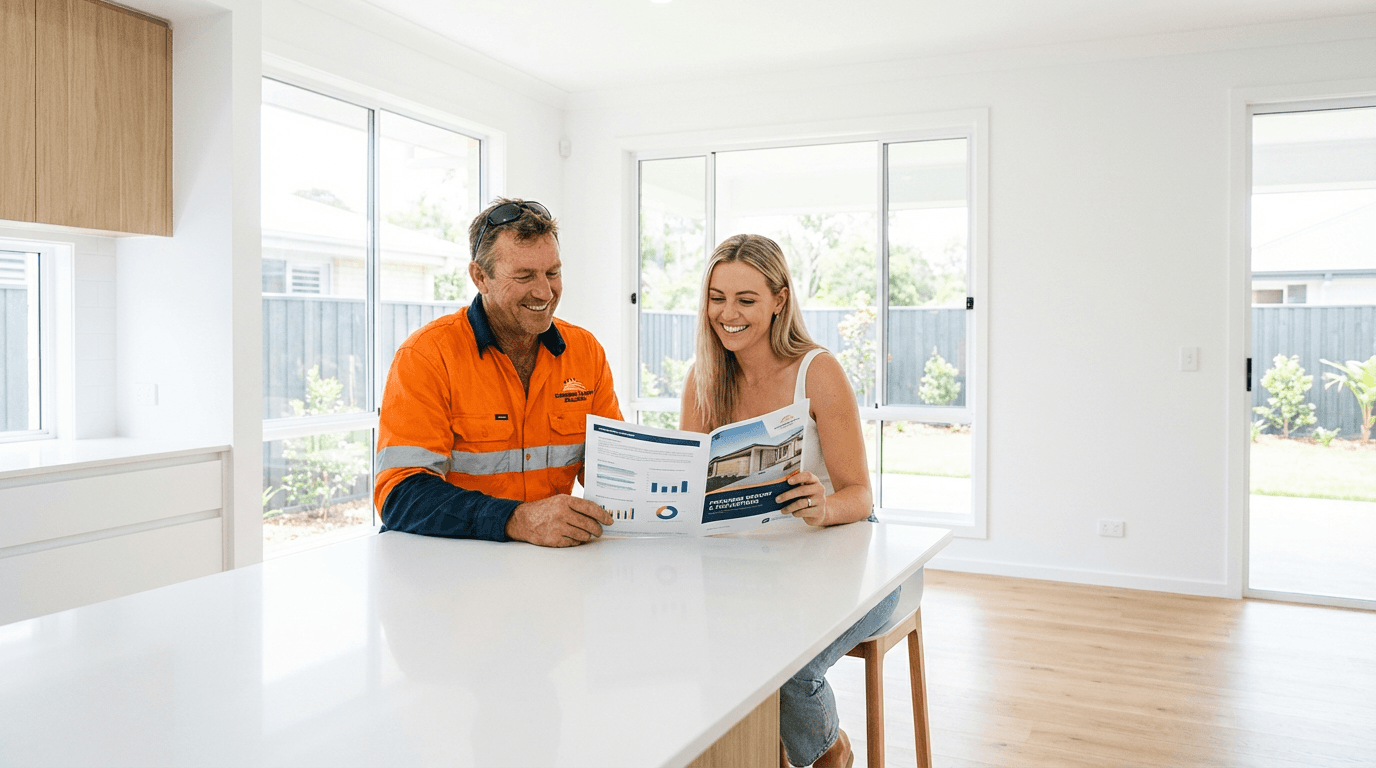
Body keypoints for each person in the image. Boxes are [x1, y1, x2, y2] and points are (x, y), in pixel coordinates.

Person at [679, 233, 899, 768]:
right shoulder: (704, 379)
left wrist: (822, 507)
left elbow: (860, 494)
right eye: (717, 297)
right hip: (755, 571)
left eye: (746, 300)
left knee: (785, 666)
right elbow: (691, 493)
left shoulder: (816, 371)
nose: (727, 314)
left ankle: (827, 753)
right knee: (697, 645)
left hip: (851, 570)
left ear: (780, 299)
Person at [373, 198, 619, 547]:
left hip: (549, 566)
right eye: (524, 276)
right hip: (447, 572)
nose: (545, 292)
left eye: (553, 273)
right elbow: (399, 496)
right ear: (480, 277)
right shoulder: (426, 356)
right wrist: (515, 519)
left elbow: (613, 471)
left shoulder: (586, 352)